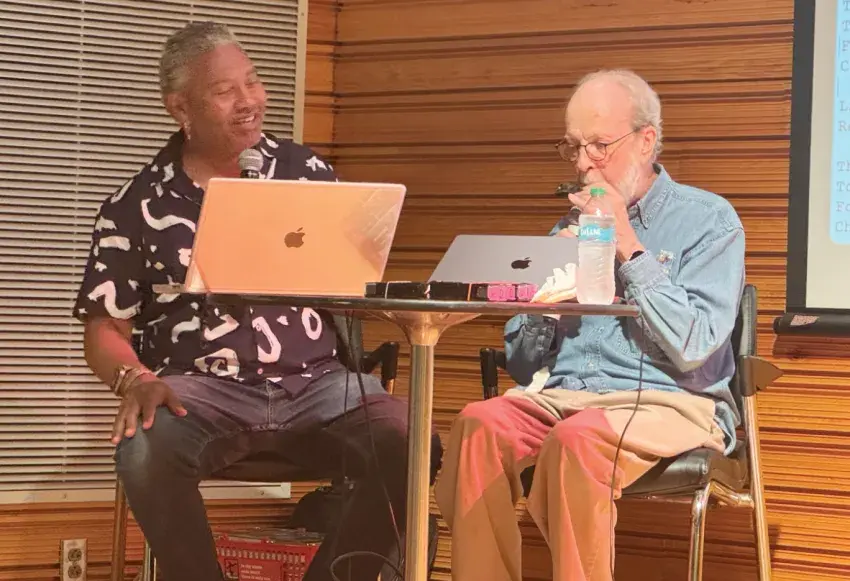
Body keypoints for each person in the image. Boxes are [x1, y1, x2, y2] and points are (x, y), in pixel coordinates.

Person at [73, 21, 442, 581]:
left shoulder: (306, 174)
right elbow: (104, 328)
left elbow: (352, 281)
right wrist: (135, 379)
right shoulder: (135, 204)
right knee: (143, 446)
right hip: (201, 389)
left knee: (411, 440)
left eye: (253, 82)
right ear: (181, 108)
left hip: (318, 385)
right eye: (226, 91)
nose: (249, 101)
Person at [434, 69, 745, 581]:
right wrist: (544, 307)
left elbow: (696, 344)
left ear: (645, 141)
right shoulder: (567, 229)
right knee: (477, 426)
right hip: (564, 397)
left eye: (599, 145)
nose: (583, 163)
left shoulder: (708, 220)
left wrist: (628, 245)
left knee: (576, 441)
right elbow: (522, 364)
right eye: (574, 147)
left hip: (672, 403)